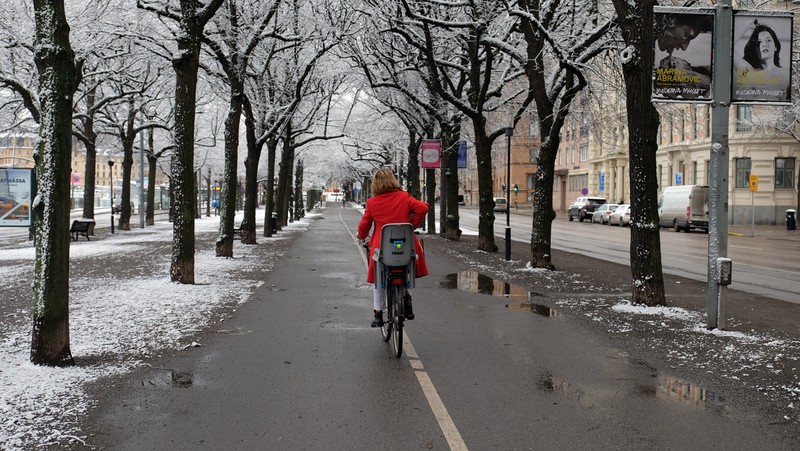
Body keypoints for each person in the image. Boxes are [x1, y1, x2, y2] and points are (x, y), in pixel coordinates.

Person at [357, 168, 428, 327]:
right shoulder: (404, 197)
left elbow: (364, 225)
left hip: (382, 248)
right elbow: (422, 208)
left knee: (379, 277)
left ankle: (378, 313)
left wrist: (361, 236)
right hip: (405, 244)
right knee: (406, 267)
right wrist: (411, 225)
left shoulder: (372, 202)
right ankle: (407, 299)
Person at [733, 19, 790, 101]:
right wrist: (747, 25)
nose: (764, 44)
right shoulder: (748, 71)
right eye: (759, 42)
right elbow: (726, 45)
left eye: (768, 40)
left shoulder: (786, 74)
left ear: (775, 47)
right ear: (755, 49)